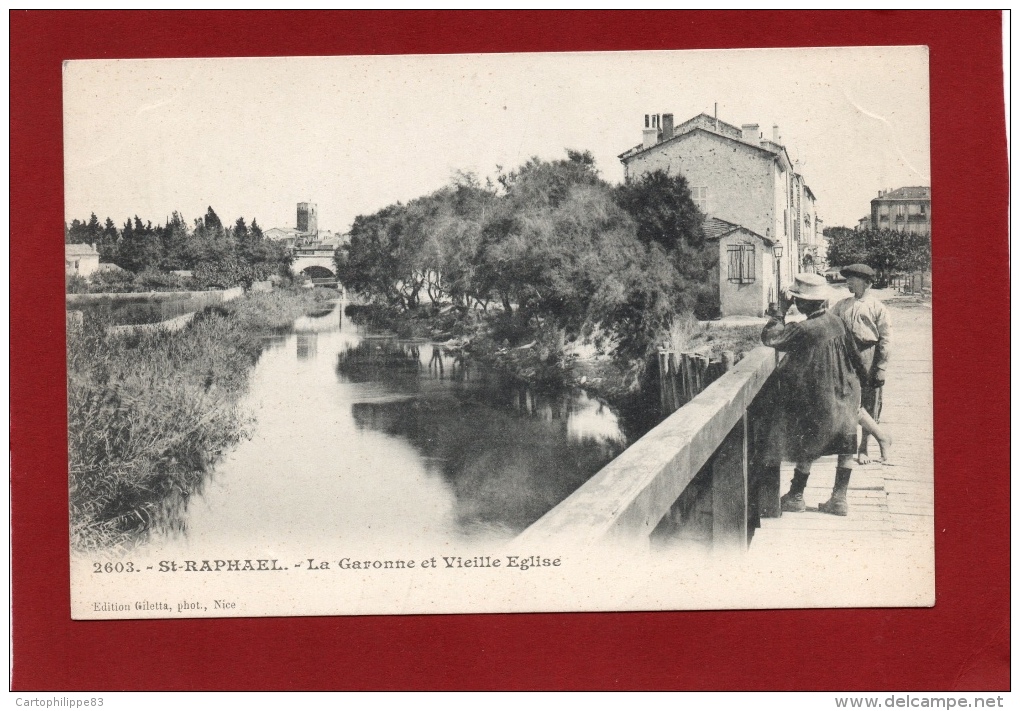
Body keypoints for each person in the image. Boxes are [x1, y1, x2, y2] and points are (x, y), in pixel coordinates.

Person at [762, 273, 868, 517]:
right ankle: (839, 499)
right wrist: (863, 386)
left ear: (801, 303)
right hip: (846, 390)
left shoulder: (803, 328)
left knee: (807, 442)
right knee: (845, 444)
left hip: (819, 395)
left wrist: (779, 312)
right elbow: (856, 357)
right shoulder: (838, 322)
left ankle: (796, 496)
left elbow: (770, 338)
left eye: (797, 299)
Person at [830, 263, 893, 465]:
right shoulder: (841, 305)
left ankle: (864, 447)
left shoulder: (877, 307)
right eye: (847, 279)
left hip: (868, 355)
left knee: (868, 401)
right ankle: (846, 445)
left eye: (852, 279)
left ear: (866, 282)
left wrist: (881, 367)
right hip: (845, 356)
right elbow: (827, 323)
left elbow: (885, 339)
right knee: (848, 400)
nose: (848, 282)